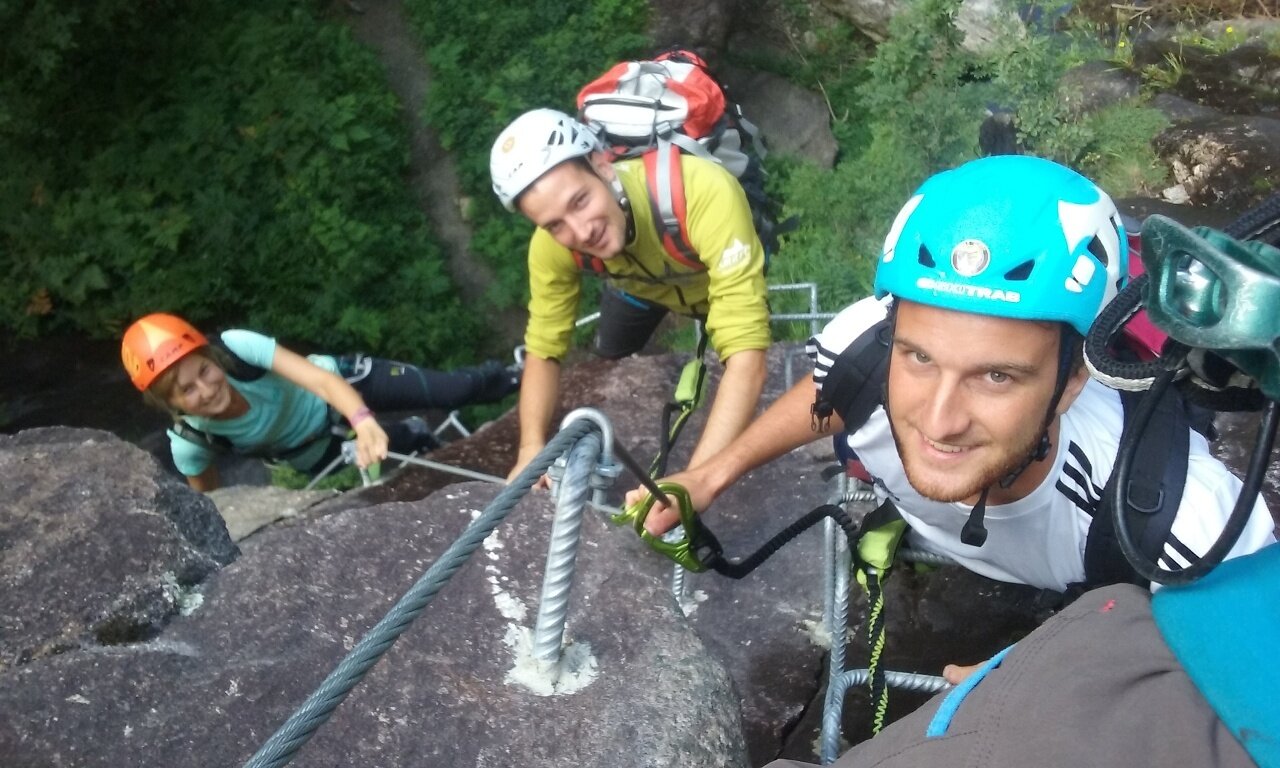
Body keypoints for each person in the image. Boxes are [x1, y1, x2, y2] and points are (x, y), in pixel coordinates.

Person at [627, 154, 1274, 607]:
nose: (938, 422)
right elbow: (826, 387)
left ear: (1075, 380)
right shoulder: (867, 342)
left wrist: (1056, 682)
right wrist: (712, 474)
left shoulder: (1177, 514)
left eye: (996, 376)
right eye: (918, 359)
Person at [489, 108, 771, 481]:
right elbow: (544, 348)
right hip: (640, 290)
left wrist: (695, 481)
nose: (581, 231)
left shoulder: (700, 189)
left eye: (579, 201)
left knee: (733, 345)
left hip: (708, 284)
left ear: (603, 166)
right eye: (555, 224)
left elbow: (747, 351)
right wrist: (530, 450)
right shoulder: (550, 248)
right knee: (608, 359)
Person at [121, 313, 520, 491]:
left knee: (453, 392)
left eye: (204, 372)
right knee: (398, 445)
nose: (206, 390)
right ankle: (415, 435)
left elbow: (320, 381)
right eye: (187, 390)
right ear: (170, 404)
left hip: (343, 384)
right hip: (311, 450)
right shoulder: (190, 441)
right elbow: (209, 500)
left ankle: (516, 375)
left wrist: (362, 418)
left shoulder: (238, 348)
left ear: (212, 358)